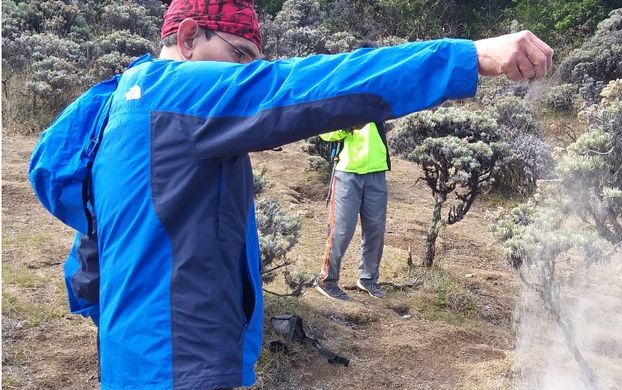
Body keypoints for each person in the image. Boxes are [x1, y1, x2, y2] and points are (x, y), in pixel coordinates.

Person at [28, 0, 554, 388]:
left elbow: (90, 256)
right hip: (184, 364)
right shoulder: (179, 92)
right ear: (188, 37)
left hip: (130, 362)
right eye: (241, 58)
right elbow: (304, 88)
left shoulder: (115, 108)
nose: (244, 76)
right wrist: (468, 57)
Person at [316, 117, 391, 300]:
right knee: (341, 231)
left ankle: (368, 278)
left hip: (376, 169)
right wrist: (348, 126)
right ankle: (327, 280)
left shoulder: (376, 97)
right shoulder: (342, 97)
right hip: (347, 172)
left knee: (376, 230)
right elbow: (325, 132)